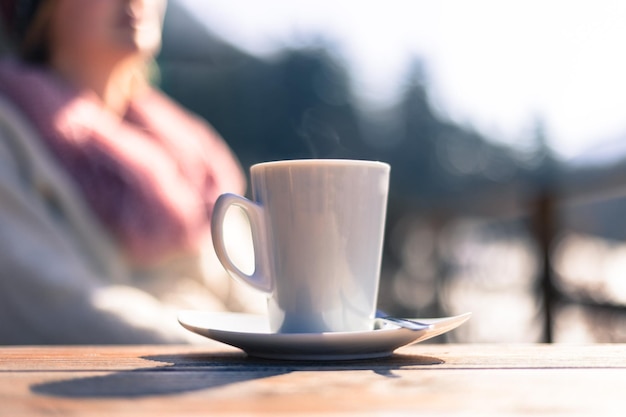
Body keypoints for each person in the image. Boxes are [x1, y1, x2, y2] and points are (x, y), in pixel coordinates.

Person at [0, 0, 263, 344]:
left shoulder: (188, 147)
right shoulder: (11, 132)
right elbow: (59, 309)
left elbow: (254, 297)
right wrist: (243, 348)